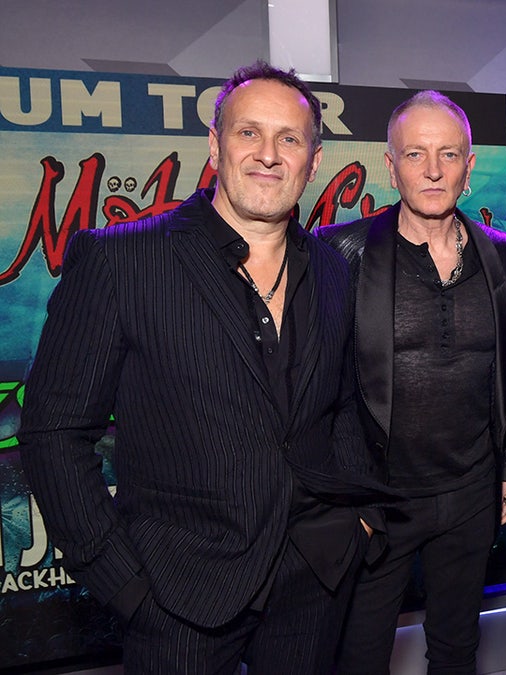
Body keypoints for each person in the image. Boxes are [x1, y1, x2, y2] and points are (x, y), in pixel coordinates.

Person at [17, 61, 383, 674]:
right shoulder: (122, 261)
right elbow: (53, 433)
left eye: (289, 138)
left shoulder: (333, 267)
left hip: (311, 581)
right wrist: (125, 586)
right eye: (249, 133)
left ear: (313, 161)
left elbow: (342, 403)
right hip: (177, 596)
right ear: (215, 145)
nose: (268, 154)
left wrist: (358, 523)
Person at [317, 90, 506, 675]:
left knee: (457, 651)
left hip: (470, 496)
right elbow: (317, 391)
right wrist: (341, 498)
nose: (433, 170)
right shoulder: (341, 254)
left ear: (469, 164)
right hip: (378, 503)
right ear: (390, 164)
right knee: (359, 657)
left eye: (448, 154)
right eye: (415, 154)